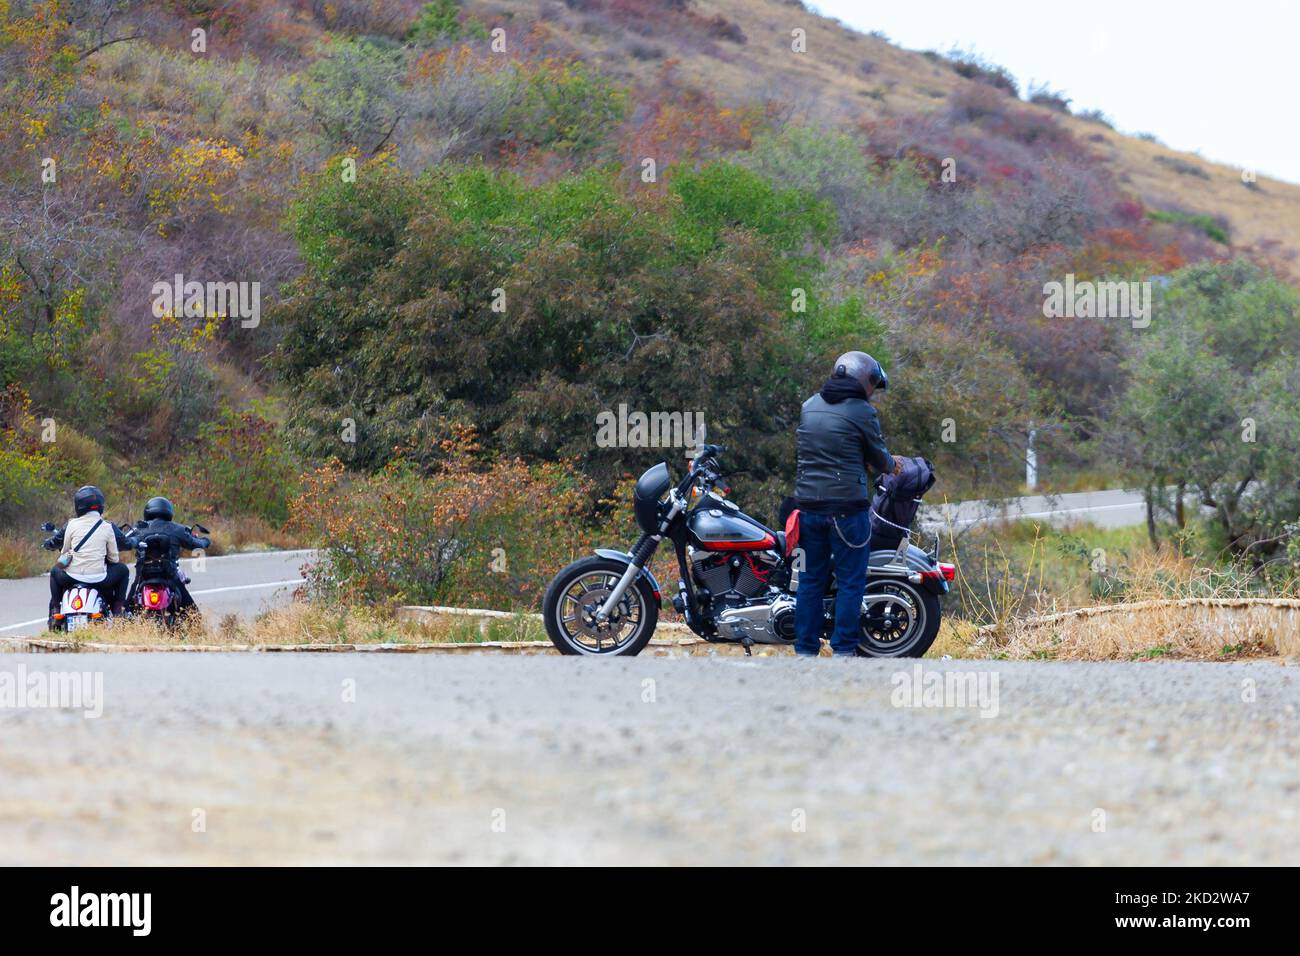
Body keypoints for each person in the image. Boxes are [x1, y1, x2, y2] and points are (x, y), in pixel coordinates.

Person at [792, 351, 903, 657]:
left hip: (809, 508)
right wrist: (893, 465)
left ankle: (804, 652)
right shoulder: (861, 411)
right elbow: (878, 457)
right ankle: (842, 652)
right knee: (851, 582)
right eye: (872, 385)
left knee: (810, 581)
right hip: (846, 511)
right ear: (863, 381)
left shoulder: (809, 406)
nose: (872, 391)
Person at [46, 485, 130, 627]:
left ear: (78, 506)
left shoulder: (71, 525)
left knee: (54, 572)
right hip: (99, 579)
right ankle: (118, 610)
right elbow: (114, 559)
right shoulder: (107, 526)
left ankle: (55, 608)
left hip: (71, 577)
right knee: (123, 570)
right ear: (100, 506)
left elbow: (65, 552)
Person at [127, 497, 211, 613]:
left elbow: (124, 541)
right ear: (169, 512)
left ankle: (121, 622)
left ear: (147, 512)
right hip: (169, 576)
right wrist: (206, 541)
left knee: (126, 611)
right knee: (194, 616)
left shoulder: (139, 529)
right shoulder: (178, 529)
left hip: (144, 576)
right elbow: (196, 544)